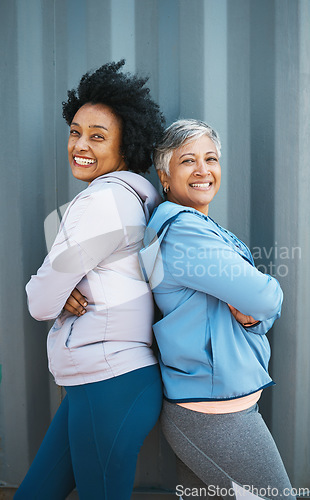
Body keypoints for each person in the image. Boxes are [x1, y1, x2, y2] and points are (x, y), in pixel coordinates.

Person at [15, 60, 165, 500]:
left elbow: (41, 301)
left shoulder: (100, 203)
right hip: (98, 384)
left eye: (98, 136)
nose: (80, 145)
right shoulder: (136, 199)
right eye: (75, 131)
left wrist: (57, 295)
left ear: (127, 145)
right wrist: (63, 292)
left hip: (108, 385)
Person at [139, 119, 295, 500]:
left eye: (211, 158)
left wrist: (256, 314)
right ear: (165, 175)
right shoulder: (184, 231)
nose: (203, 170)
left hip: (214, 405)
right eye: (188, 160)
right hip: (215, 415)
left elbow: (254, 309)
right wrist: (264, 302)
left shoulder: (200, 226)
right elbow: (264, 297)